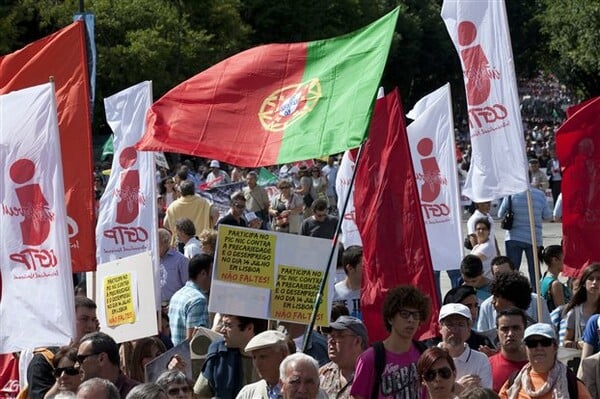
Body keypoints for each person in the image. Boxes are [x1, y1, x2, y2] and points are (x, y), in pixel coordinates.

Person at [350, 285, 430, 399]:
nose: (411, 320)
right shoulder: (369, 359)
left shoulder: (424, 354)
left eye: (416, 315)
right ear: (390, 318)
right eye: (404, 314)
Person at [27, 297, 100, 399]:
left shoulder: (97, 356)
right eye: (84, 319)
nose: (91, 326)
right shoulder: (43, 360)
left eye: (93, 320)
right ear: (68, 320)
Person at [499, 323, 592, 398]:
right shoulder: (513, 383)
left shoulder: (572, 384)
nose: (539, 348)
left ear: (555, 347)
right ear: (525, 349)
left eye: (545, 342)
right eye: (532, 343)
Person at [194, 315, 268, 398]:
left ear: (249, 328)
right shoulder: (219, 354)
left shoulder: (273, 358)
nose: (222, 331)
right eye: (223, 324)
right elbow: (200, 394)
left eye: (228, 325)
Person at [497, 185, 552, 289]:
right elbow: (547, 216)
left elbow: (500, 214)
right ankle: (537, 294)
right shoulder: (540, 194)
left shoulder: (511, 194)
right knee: (534, 270)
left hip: (513, 236)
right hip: (534, 238)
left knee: (513, 270)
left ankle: (514, 293)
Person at [438, 304, 492, 390]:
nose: (455, 330)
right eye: (450, 324)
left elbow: (485, 396)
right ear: (440, 327)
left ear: (469, 328)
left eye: (460, 325)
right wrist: (458, 388)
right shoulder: (430, 358)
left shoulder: (481, 360)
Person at [476, 272, 551, 334]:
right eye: (504, 329)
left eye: (496, 297)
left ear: (511, 300)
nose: (492, 302)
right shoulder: (486, 306)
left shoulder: (538, 302)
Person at [76, 332, 140, 398]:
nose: (76, 365)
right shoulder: (81, 393)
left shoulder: (138, 395)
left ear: (101, 359)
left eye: (81, 359)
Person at [168, 254, 212, 346]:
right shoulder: (198, 300)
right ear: (203, 273)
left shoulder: (177, 295)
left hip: (176, 356)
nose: (213, 279)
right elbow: (194, 341)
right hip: (188, 359)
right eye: (212, 273)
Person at [319, 316, 367, 399]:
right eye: (330, 336)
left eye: (339, 336)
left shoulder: (372, 374)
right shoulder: (323, 373)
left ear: (357, 341)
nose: (331, 341)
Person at [236, 330, 290, 399]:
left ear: (283, 354)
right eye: (254, 357)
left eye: (263, 356)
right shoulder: (248, 393)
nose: (257, 363)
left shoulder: (300, 391)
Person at [163, 180, 218, 246]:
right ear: (194, 190)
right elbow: (215, 213)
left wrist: (174, 230)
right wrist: (211, 227)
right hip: (201, 239)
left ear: (180, 191)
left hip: (181, 240)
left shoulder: (173, 206)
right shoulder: (204, 202)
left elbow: (165, 224)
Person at [488, 308, 528, 393]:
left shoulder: (538, 365)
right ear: (497, 332)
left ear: (525, 330)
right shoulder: (487, 366)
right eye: (505, 329)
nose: (510, 334)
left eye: (516, 328)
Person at [443, 286, 494, 350]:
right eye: (468, 306)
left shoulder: (481, 342)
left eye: (475, 306)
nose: (473, 311)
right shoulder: (436, 342)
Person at [562, 263, 600, 349]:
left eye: (599, 279)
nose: (595, 282)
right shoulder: (575, 312)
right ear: (583, 283)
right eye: (591, 279)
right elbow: (565, 342)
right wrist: (579, 345)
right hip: (583, 359)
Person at [158, 229, 189, 305]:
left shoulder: (180, 260)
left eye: (156, 243)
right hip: (155, 307)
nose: (153, 246)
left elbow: (187, 285)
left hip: (175, 305)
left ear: (165, 242)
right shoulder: (152, 259)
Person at [333, 246, 363, 319]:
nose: (368, 269)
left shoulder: (372, 294)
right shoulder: (333, 294)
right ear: (350, 268)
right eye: (363, 265)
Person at [539, 245, 570, 312]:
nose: (567, 262)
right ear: (554, 260)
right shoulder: (555, 284)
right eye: (564, 259)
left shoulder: (544, 277)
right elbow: (562, 311)